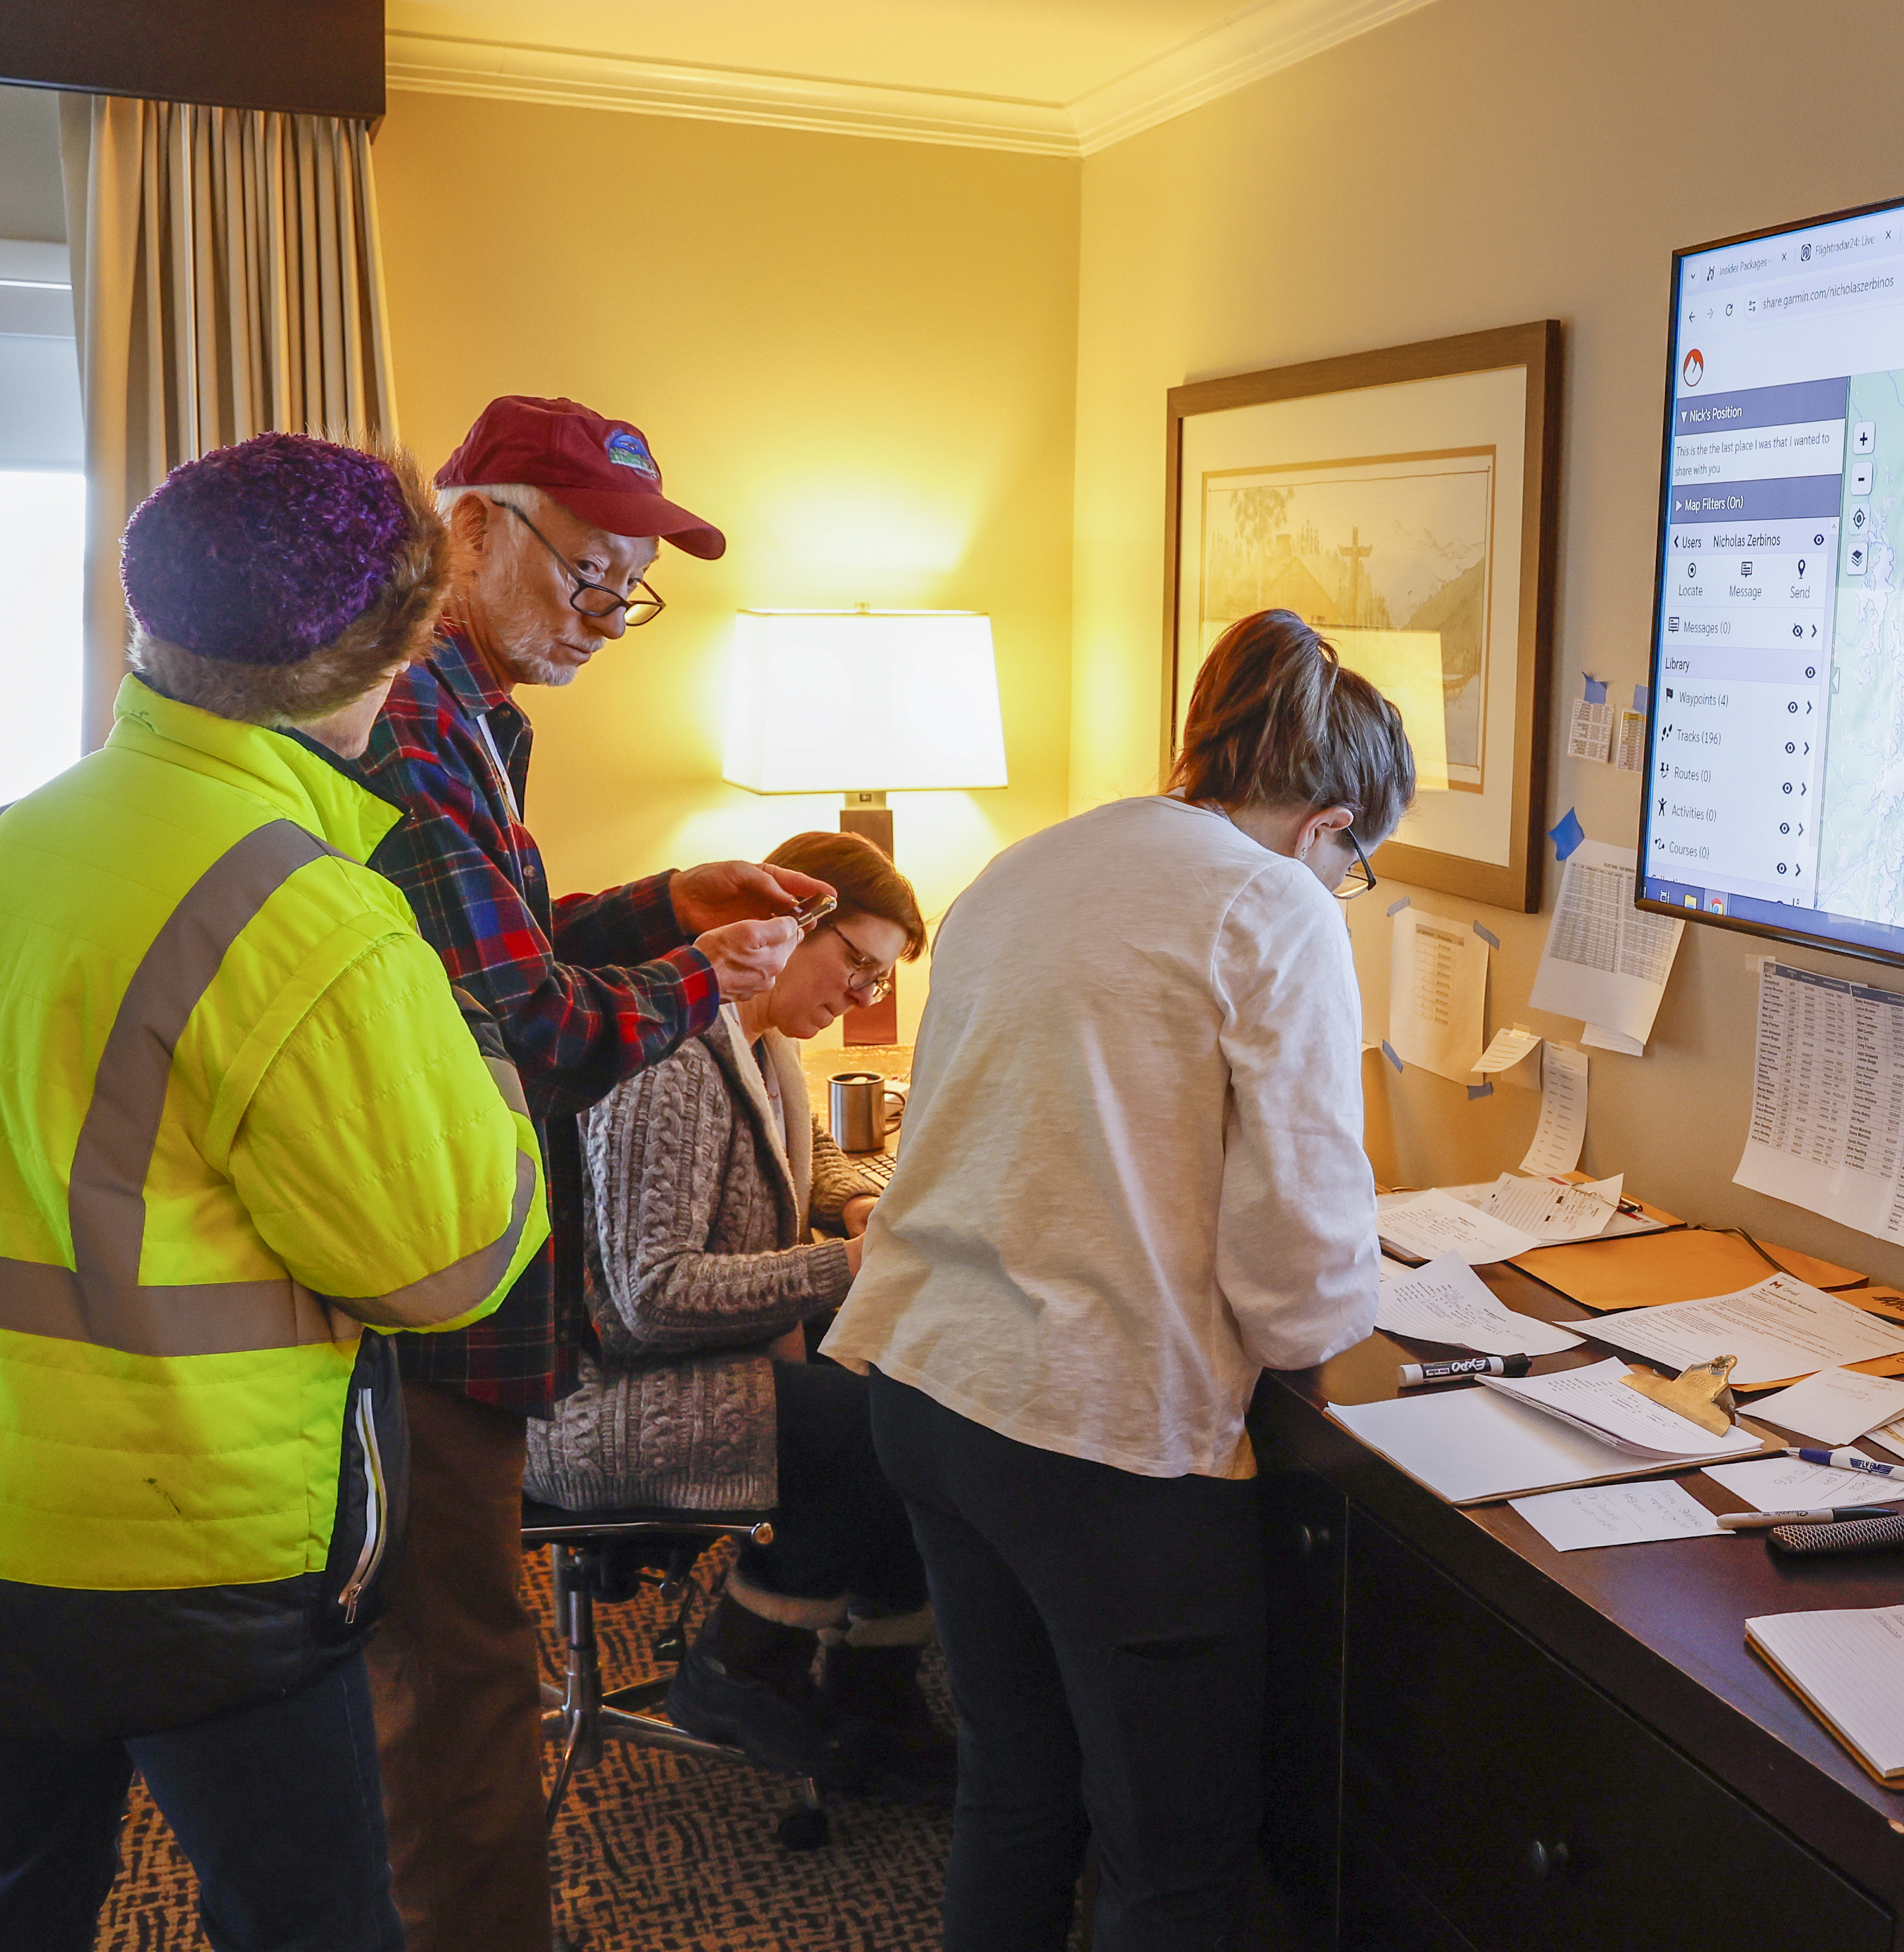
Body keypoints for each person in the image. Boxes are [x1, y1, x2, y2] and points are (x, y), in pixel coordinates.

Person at [0, 435, 548, 1952]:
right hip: (186, 1560)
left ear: (148, 617)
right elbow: (456, 1259)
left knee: (3, 1908)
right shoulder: (310, 913)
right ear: (399, 649)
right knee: (309, 1923)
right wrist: (484, 1062)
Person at [826, 608, 1410, 1950]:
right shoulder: (1271, 907)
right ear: (1329, 822)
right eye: (1360, 865)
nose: (1346, 892)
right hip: (1092, 1436)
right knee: (1174, 1856)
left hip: (927, 1380)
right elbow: (1300, 1283)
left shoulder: (1033, 862)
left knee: (1018, 1793)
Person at [352, 394, 828, 1952]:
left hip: (473, 1266)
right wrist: (713, 974)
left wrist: (660, 904)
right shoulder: (410, 723)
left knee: (462, 1675)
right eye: (590, 576)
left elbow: (510, 949)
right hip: (432, 1281)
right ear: (472, 527)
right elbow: (532, 1031)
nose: (613, 617)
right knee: (470, 1688)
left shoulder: (479, 718)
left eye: (635, 588)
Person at [522, 831, 949, 1800]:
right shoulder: (672, 1057)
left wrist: (846, 1200)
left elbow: (778, 1160)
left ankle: (875, 1689)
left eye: (881, 980)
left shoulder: (756, 1041)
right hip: (604, 1397)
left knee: (918, 1393)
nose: (864, 995)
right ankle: (743, 1660)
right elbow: (647, 1298)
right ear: (791, 924)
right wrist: (845, 1264)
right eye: (859, 965)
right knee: (878, 1427)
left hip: (680, 1369)